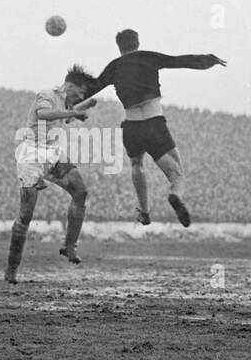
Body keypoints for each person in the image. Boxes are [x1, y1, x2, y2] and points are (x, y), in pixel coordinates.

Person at [80, 29, 224, 227]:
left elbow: (91, 88)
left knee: (137, 165)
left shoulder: (114, 67)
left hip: (130, 127)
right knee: (177, 173)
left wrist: (65, 100)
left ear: (119, 46)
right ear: (137, 42)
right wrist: (209, 60)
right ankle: (175, 195)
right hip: (153, 123)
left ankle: (145, 211)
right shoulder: (148, 57)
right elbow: (180, 60)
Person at [4, 66, 97, 284]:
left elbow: (62, 119)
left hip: (53, 155)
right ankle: (12, 267)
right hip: (32, 157)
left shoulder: (66, 102)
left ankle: (69, 246)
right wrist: (75, 111)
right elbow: (44, 114)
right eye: (80, 92)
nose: (81, 96)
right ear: (70, 85)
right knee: (26, 215)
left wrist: (82, 107)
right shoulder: (46, 94)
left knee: (81, 192)